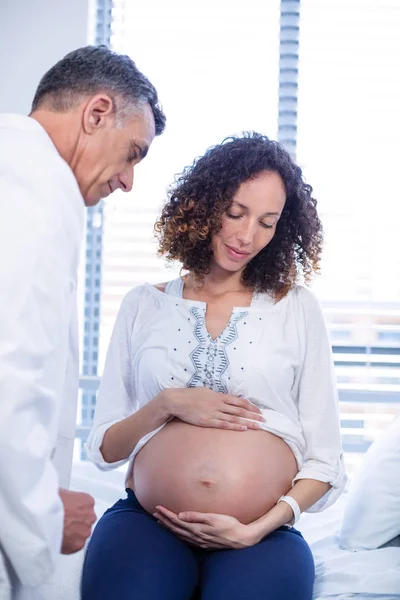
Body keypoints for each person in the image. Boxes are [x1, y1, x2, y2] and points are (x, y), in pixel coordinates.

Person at [82, 132, 346, 600]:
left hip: (260, 533)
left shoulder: (296, 309)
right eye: (236, 213)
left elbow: (325, 460)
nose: (248, 236)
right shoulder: (144, 304)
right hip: (149, 521)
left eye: (267, 222)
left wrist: (257, 528)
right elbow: (105, 447)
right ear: (204, 206)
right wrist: (165, 404)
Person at [0, 45, 166, 600]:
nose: (128, 181)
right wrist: (46, 518)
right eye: (132, 154)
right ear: (96, 114)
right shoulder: (40, 196)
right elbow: (9, 383)